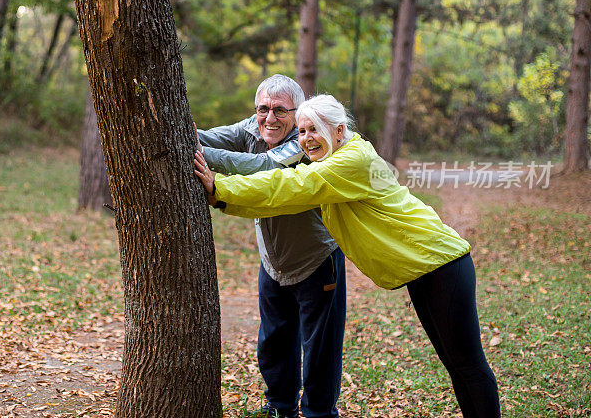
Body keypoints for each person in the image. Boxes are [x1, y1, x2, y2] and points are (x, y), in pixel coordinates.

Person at [194, 94, 501, 418]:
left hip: (442, 266)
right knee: (457, 366)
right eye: (302, 131)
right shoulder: (332, 166)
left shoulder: (351, 161)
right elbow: (287, 200)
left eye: (316, 129)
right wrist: (221, 197)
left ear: (339, 131)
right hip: (424, 270)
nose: (307, 139)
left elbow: (290, 184)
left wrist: (221, 187)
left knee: (467, 366)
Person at [196, 75, 346, 418]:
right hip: (273, 262)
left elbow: (262, 167)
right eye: (263, 108)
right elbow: (208, 136)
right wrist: (184, 133)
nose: (269, 118)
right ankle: (280, 408)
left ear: (297, 112)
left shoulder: (306, 143)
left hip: (317, 259)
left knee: (320, 347)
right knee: (274, 342)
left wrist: (203, 155)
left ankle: (319, 414)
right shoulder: (253, 126)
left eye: (280, 110)